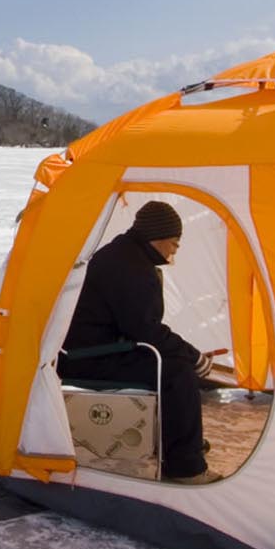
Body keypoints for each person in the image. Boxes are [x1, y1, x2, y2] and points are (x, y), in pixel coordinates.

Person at [58, 201, 218, 484]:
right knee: (177, 373)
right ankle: (185, 467)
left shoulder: (125, 255)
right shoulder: (129, 267)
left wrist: (188, 355)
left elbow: (140, 327)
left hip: (97, 349)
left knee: (175, 364)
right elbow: (146, 331)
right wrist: (194, 357)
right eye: (174, 244)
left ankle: (180, 445)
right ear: (157, 237)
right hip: (89, 357)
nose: (174, 253)